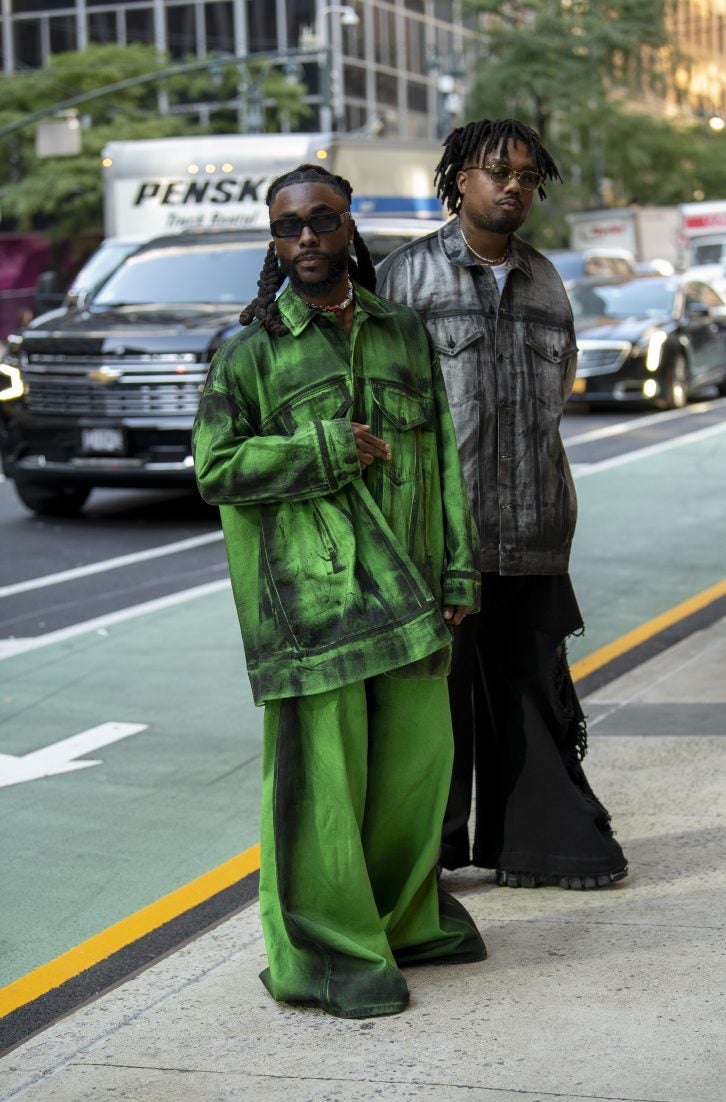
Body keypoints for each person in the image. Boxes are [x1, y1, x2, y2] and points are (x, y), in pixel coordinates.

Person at [192, 164, 486, 1021]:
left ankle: (402, 922)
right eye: (290, 228)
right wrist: (322, 447)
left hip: (414, 596)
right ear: (274, 241)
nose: (308, 240)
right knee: (318, 791)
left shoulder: (403, 332)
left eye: (324, 221)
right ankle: (324, 953)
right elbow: (213, 469)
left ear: (351, 226)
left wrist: (459, 568)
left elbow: (443, 465)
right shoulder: (249, 352)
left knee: (413, 775)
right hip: (312, 608)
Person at [376, 119, 628, 890]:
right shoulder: (405, 279)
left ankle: (538, 844)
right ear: (458, 181)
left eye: (525, 174)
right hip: (439, 539)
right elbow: (387, 414)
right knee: (433, 708)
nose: (513, 184)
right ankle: (430, 851)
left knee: (531, 696)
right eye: (496, 171)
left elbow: (554, 401)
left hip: (535, 529)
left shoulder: (547, 279)